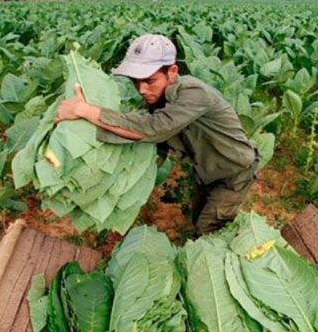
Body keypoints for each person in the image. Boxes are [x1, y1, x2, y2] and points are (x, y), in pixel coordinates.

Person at [55, 34, 258, 236]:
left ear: (172, 72)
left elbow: (152, 129)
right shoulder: (158, 100)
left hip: (234, 172)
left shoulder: (194, 93)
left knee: (209, 228)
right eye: (136, 82)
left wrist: (84, 110)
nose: (142, 90)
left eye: (150, 81)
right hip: (207, 171)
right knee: (200, 217)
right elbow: (150, 142)